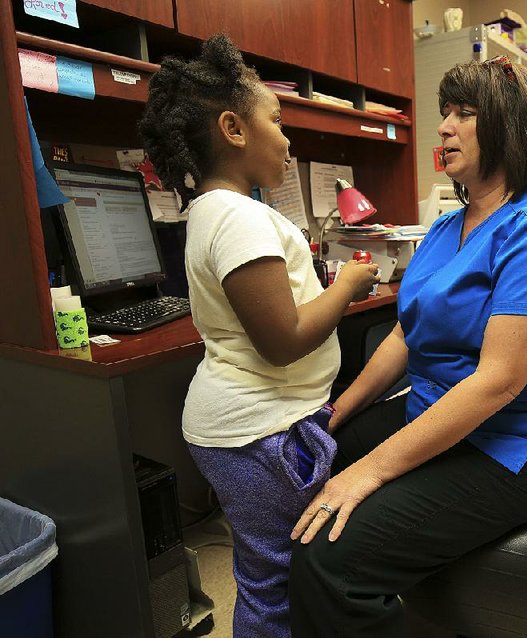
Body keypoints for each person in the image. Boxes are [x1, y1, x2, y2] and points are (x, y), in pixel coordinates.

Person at [289, 56, 527, 637]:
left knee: (332, 562)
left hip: (520, 441)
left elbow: (498, 382)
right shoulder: (441, 229)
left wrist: (372, 472)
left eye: (464, 114)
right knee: (312, 460)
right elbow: (406, 333)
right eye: (444, 114)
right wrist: (339, 411)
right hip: (438, 412)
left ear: (510, 127)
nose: (444, 128)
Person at [138, 34, 380, 638]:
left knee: (265, 573)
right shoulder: (240, 217)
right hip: (257, 433)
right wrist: (348, 284)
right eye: (276, 119)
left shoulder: (214, 211)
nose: (288, 135)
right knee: (280, 583)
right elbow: (284, 339)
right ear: (233, 129)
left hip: (244, 427)